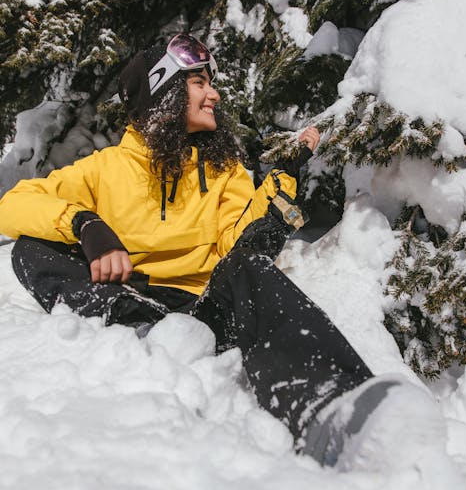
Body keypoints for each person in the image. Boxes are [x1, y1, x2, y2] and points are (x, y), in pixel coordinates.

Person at [0, 33, 431, 468]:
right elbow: (12, 204)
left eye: (212, 83)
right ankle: (140, 329)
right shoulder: (105, 169)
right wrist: (86, 224)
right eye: (199, 83)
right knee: (31, 248)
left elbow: (238, 245)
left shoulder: (223, 172)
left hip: (202, 314)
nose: (215, 94)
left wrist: (282, 181)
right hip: (124, 299)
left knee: (248, 266)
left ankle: (332, 408)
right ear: (163, 91)